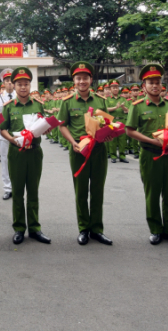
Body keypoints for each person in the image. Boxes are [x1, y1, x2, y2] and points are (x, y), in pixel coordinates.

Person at [125, 64, 168, 246]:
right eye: (151, 83)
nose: (155, 85)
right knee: (152, 194)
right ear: (144, 86)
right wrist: (151, 141)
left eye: (158, 82)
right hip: (150, 154)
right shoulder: (137, 106)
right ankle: (155, 229)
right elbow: (129, 130)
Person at [58, 61, 112, 246]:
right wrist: (73, 142)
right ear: (74, 81)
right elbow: (62, 125)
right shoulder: (67, 102)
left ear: (91, 80)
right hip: (78, 151)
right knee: (81, 192)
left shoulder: (101, 101)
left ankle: (97, 229)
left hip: (98, 151)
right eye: (78, 78)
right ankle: (83, 229)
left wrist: (108, 136)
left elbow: (107, 125)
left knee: (97, 191)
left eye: (85, 78)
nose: (82, 81)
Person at [0, 67, 51, 245]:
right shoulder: (8, 107)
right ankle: (19, 228)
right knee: (18, 191)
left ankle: (35, 228)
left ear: (30, 85)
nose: (23, 87)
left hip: (35, 152)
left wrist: (47, 128)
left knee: (34, 191)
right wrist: (12, 140)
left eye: (26, 84)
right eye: (19, 84)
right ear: (14, 85)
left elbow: (44, 126)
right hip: (17, 153)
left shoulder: (38, 105)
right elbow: (2, 128)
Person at [0, 69, 15, 200]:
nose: (10, 83)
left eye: (11, 81)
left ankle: (17, 186)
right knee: (5, 161)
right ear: (4, 83)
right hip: (3, 134)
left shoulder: (20, 96)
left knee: (18, 161)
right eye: (7, 81)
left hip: (18, 133)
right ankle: (8, 188)